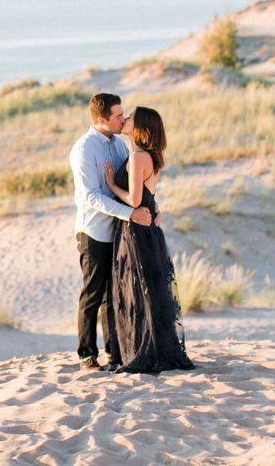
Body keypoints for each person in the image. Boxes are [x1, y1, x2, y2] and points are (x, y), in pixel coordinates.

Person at [104, 106, 196, 373]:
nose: (126, 119)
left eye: (131, 117)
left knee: (137, 288)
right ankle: (155, 347)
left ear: (140, 126)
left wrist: (111, 185)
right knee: (151, 291)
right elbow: (149, 197)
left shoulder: (138, 157)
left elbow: (134, 201)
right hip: (149, 228)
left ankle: (143, 350)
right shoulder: (152, 156)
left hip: (135, 229)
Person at [68, 93, 155, 371]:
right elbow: (90, 197)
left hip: (119, 233)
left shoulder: (119, 145)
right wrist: (131, 213)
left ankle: (113, 351)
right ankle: (86, 354)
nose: (123, 119)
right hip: (93, 231)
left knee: (113, 296)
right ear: (100, 120)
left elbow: (133, 187)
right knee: (92, 294)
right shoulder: (84, 149)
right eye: (118, 116)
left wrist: (153, 208)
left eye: (122, 114)